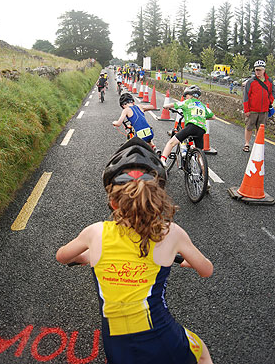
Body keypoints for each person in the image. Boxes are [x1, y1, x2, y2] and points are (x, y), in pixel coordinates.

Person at [56, 137, 214, 364]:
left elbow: (62, 256)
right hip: (165, 340)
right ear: (157, 199)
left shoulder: (95, 233)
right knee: (201, 352)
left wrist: (89, 257)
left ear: (113, 202)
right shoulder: (172, 233)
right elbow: (206, 270)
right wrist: (188, 261)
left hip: (117, 347)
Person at [160, 85, 216, 166]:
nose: (185, 97)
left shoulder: (188, 102)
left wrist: (166, 106)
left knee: (171, 143)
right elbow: (213, 117)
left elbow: (175, 104)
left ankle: (162, 160)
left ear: (190, 95)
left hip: (191, 127)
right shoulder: (203, 106)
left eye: (186, 95)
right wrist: (201, 117)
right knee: (200, 154)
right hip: (202, 130)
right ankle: (203, 175)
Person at [243, 60, 275, 152]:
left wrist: (270, 101)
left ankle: (257, 145)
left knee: (260, 128)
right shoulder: (251, 81)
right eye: (256, 70)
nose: (257, 72)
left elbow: (273, 92)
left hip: (264, 110)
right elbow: (246, 96)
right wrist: (246, 110)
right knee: (249, 127)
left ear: (264, 70)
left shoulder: (269, 81)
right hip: (252, 109)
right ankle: (247, 144)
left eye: (259, 70)